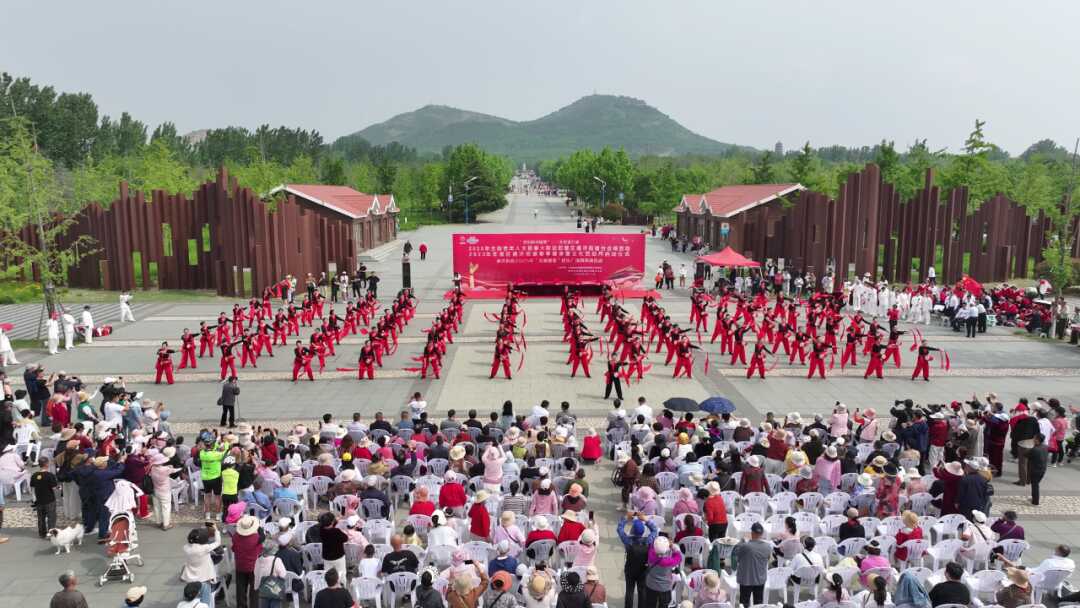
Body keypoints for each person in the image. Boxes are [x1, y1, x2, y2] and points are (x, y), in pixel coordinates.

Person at [181, 523, 222, 607]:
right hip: (204, 579)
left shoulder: (186, 548)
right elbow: (218, 542)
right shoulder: (205, 548)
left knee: (190, 601)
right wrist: (216, 530)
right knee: (205, 603)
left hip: (190, 579)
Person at [732, 522, 772, 606]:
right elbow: (769, 559)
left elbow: (735, 553)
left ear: (752, 533)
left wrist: (742, 541)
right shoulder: (768, 547)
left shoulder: (745, 546)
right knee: (758, 602)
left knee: (744, 603)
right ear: (762, 534)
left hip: (746, 579)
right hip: (760, 580)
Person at [31, 456, 59, 538]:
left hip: (39, 500)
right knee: (51, 517)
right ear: (47, 464)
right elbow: (54, 488)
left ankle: (42, 533)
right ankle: (51, 534)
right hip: (49, 500)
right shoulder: (50, 475)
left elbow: (32, 488)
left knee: (41, 518)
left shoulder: (34, 475)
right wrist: (59, 488)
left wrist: (34, 499)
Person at [1029, 432, 1049, 505]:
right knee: (1036, 484)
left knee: (1035, 486)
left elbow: (1027, 455)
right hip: (1043, 469)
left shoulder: (1035, 449)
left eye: (1034, 438)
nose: (1033, 439)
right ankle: (1034, 498)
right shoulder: (1045, 446)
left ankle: (1035, 501)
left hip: (1035, 470)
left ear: (1037, 440)